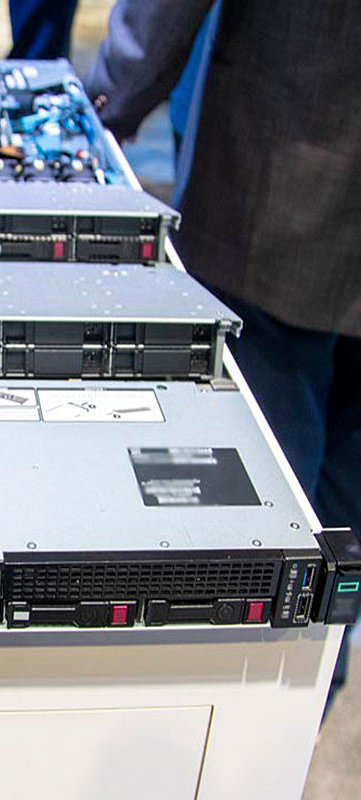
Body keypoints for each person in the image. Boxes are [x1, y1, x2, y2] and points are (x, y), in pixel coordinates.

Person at [85, 1, 361, 701]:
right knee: (342, 504)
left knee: (265, 495)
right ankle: (306, 701)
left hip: (286, 186)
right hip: (308, 195)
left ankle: (259, 710)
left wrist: (105, 102)